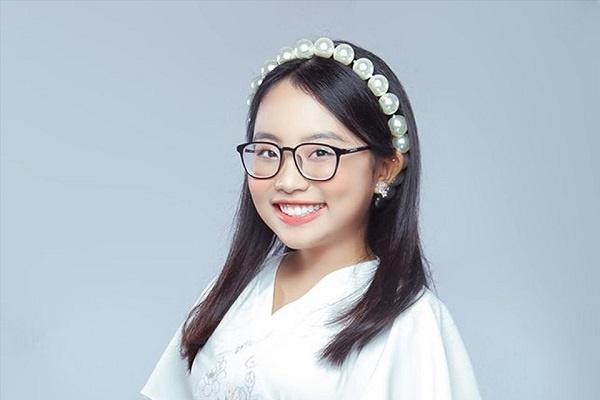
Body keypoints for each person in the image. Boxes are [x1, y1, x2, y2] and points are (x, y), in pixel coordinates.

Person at [140, 37, 482, 399]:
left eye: (320, 152)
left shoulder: (409, 322)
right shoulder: (230, 292)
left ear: (386, 168)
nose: (287, 181)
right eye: (268, 151)